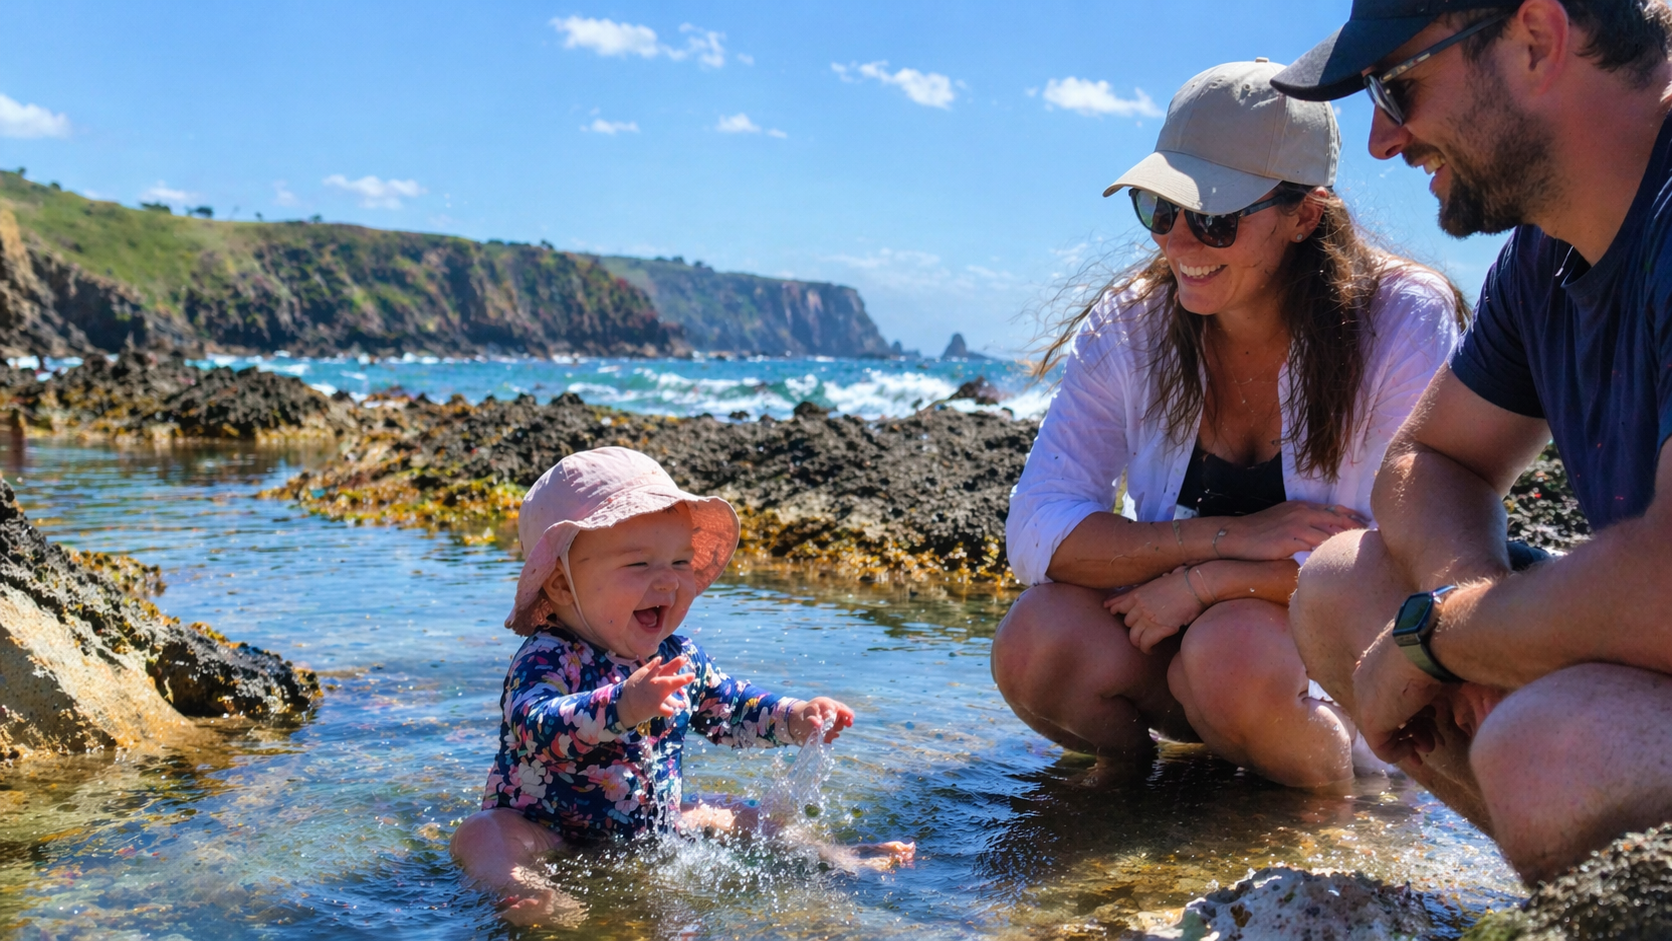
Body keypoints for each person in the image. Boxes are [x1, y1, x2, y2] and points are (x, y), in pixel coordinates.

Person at [1274, 0, 1672, 884]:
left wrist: (1441, 638)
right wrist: (1463, 606)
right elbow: (1424, 461)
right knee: (1341, 589)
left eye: (1397, 87)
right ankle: (1583, 904)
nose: (1382, 140)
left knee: (1549, 754)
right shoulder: (1546, 252)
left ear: (1536, 39)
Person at [991, 60, 1469, 789]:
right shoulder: (1133, 323)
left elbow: (1396, 560)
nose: (1178, 243)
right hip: (1184, 658)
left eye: (1213, 219)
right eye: (1160, 208)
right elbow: (1036, 529)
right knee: (1034, 641)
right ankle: (1131, 804)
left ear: (1305, 215)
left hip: (1336, 677)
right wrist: (1230, 537)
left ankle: (1337, 820)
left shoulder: (1400, 319)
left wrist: (1206, 582)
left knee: (1231, 654)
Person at [450, 447, 912, 926]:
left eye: (680, 562)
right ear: (562, 586)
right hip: (546, 830)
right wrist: (622, 706)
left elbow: (729, 708)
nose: (668, 583)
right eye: (639, 565)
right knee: (484, 834)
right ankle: (524, 892)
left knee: (740, 814)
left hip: (650, 829)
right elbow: (534, 725)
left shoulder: (676, 654)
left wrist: (794, 717)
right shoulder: (546, 656)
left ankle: (828, 857)